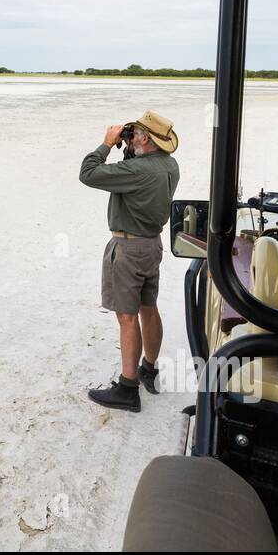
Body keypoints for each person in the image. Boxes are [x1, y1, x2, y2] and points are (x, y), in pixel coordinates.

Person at [78, 111, 180, 412]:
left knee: (126, 316)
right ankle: (149, 367)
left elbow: (89, 173)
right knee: (149, 309)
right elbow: (136, 168)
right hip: (152, 245)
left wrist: (107, 144)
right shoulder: (170, 165)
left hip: (129, 248)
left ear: (145, 138)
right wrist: (129, 147)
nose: (129, 136)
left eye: (134, 133)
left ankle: (128, 387)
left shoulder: (135, 171)